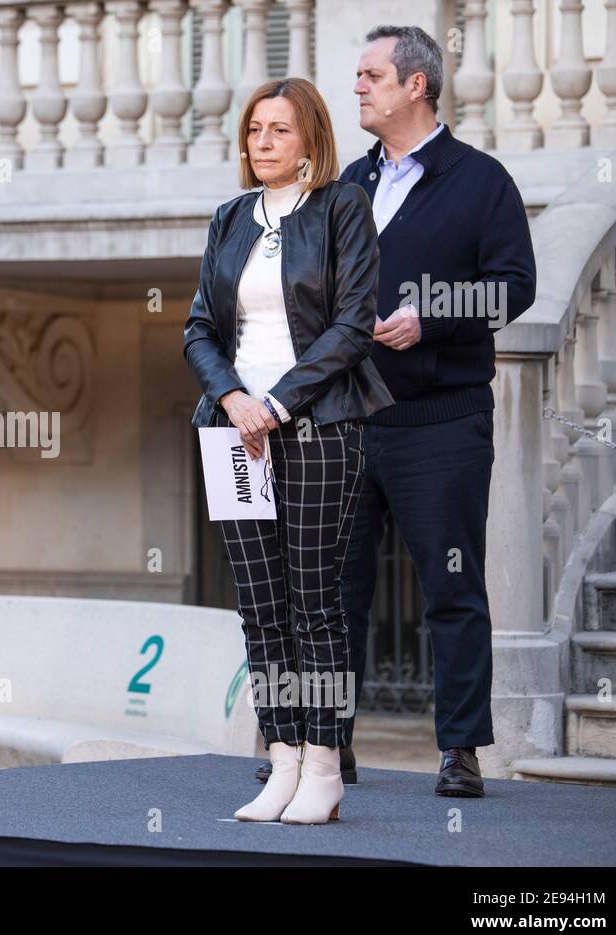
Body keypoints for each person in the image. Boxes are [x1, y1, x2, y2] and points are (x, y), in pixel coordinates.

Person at [184, 77, 394, 824]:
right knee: (259, 607)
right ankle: (281, 758)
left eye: (279, 130)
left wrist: (276, 402)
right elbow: (200, 328)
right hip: (234, 430)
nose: (263, 143)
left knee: (314, 604)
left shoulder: (341, 208)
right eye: (254, 131)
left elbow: (352, 324)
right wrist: (235, 399)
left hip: (317, 424)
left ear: (309, 139)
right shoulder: (229, 218)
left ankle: (326, 765)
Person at [337, 25, 535, 797]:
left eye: (372, 75)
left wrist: (430, 314)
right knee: (331, 595)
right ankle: (328, 745)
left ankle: (459, 751)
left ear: (416, 85)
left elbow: (513, 285)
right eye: (358, 75)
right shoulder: (349, 183)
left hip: (441, 424)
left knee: (452, 590)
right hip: (350, 423)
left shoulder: (480, 180)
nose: (358, 86)